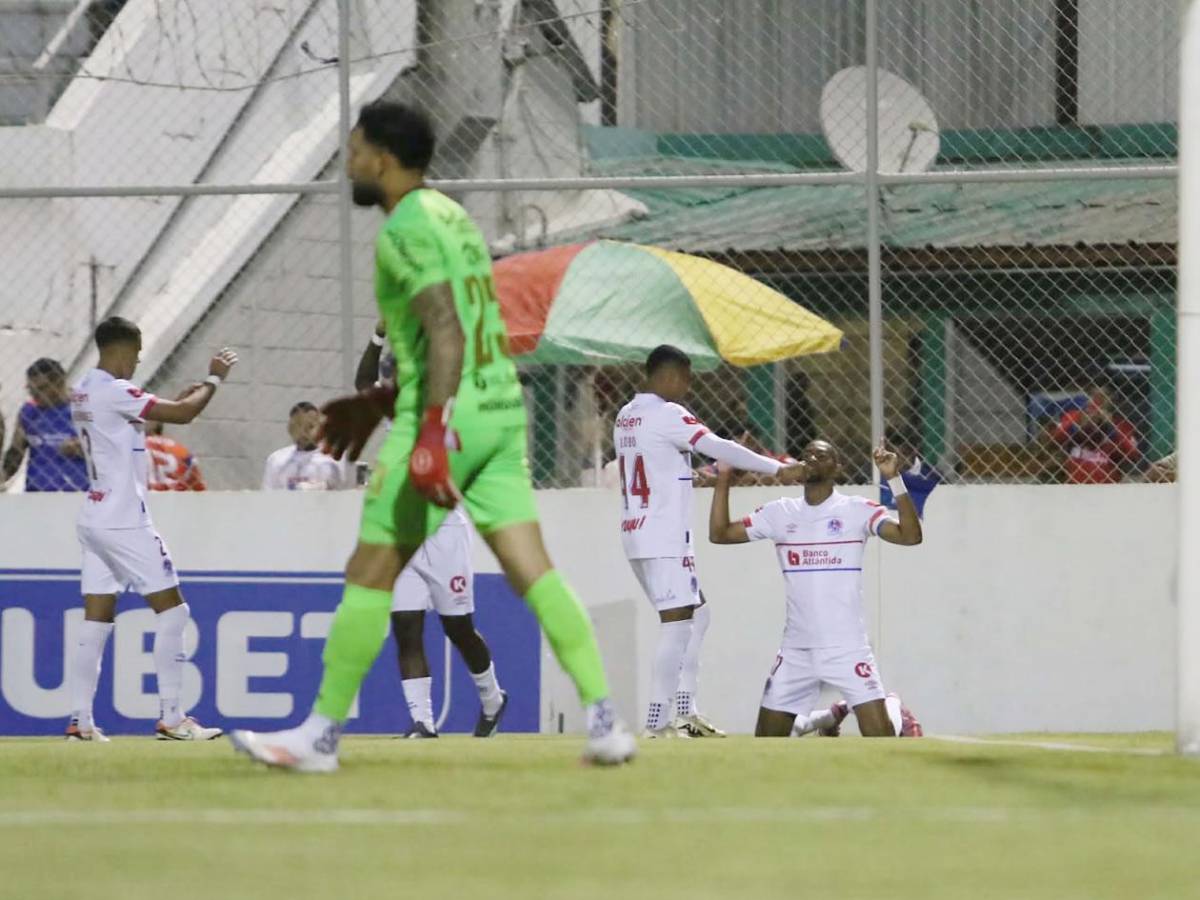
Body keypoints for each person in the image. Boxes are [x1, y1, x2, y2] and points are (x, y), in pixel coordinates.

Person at [228, 101, 634, 772]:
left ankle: (319, 738)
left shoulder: (404, 231)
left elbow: (444, 328)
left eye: (355, 150)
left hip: (447, 415)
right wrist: (380, 400)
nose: (349, 163)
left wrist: (432, 430)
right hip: (499, 408)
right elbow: (463, 326)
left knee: (369, 571)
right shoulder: (452, 216)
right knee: (532, 569)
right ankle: (605, 721)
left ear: (383, 159)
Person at [614, 345, 804, 738]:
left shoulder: (626, 415)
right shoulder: (669, 413)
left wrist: (691, 477)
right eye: (686, 379)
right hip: (664, 536)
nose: (688, 387)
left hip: (637, 532)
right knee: (677, 624)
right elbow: (719, 447)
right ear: (669, 376)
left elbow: (652, 464)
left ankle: (687, 713)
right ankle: (656, 723)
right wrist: (777, 469)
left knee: (697, 615)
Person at [65, 316, 235, 741]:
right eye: (137, 354)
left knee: (96, 621)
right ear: (122, 350)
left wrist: (177, 398)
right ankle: (173, 719)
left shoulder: (84, 388)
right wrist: (213, 379)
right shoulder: (114, 391)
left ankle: (80, 722)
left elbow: (132, 421)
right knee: (174, 612)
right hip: (125, 520)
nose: (138, 362)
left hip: (94, 516)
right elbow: (184, 415)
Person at [708, 439, 924, 738]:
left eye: (820, 456)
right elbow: (719, 534)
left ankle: (893, 709)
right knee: (766, 743)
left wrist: (894, 478)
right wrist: (723, 476)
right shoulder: (780, 513)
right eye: (806, 454)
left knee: (881, 739)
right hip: (796, 650)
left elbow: (910, 536)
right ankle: (830, 716)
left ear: (837, 468)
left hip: (848, 648)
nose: (811, 459)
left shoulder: (856, 509)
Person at [357, 322, 508, 739]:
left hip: (444, 530)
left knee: (458, 628)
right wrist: (378, 336)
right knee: (406, 626)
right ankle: (422, 722)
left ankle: (493, 699)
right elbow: (363, 383)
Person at [2, 358, 90, 492]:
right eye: (31, 390)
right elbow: (15, 453)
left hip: (77, 491)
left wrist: (83, 446)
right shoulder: (29, 411)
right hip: (37, 491)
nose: (35, 395)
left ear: (59, 382)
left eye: (41, 388)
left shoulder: (85, 407)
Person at [1051, 382, 1140, 484]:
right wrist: (1078, 424)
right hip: (1074, 481)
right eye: (1093, 395)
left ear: (1112, 399)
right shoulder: (1074, 416)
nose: (1097, 400)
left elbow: (1133, 454)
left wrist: (1111, 426)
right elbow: (1055, 438)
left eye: (1103, 396)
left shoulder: (1121, 424)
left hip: (1106, 481)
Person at [261, 401, 352, 490]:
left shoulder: (336, 457)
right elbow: (268, 494)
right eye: (299, 426)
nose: (304, 432)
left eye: (310, 426)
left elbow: (346, 491)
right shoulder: (276, 460)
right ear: (290, 428)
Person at [145, 420, 206, 491]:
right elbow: (199, 488)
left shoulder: (141, 446)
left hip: (153, 494)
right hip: (177, 494)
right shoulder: (180, 448)